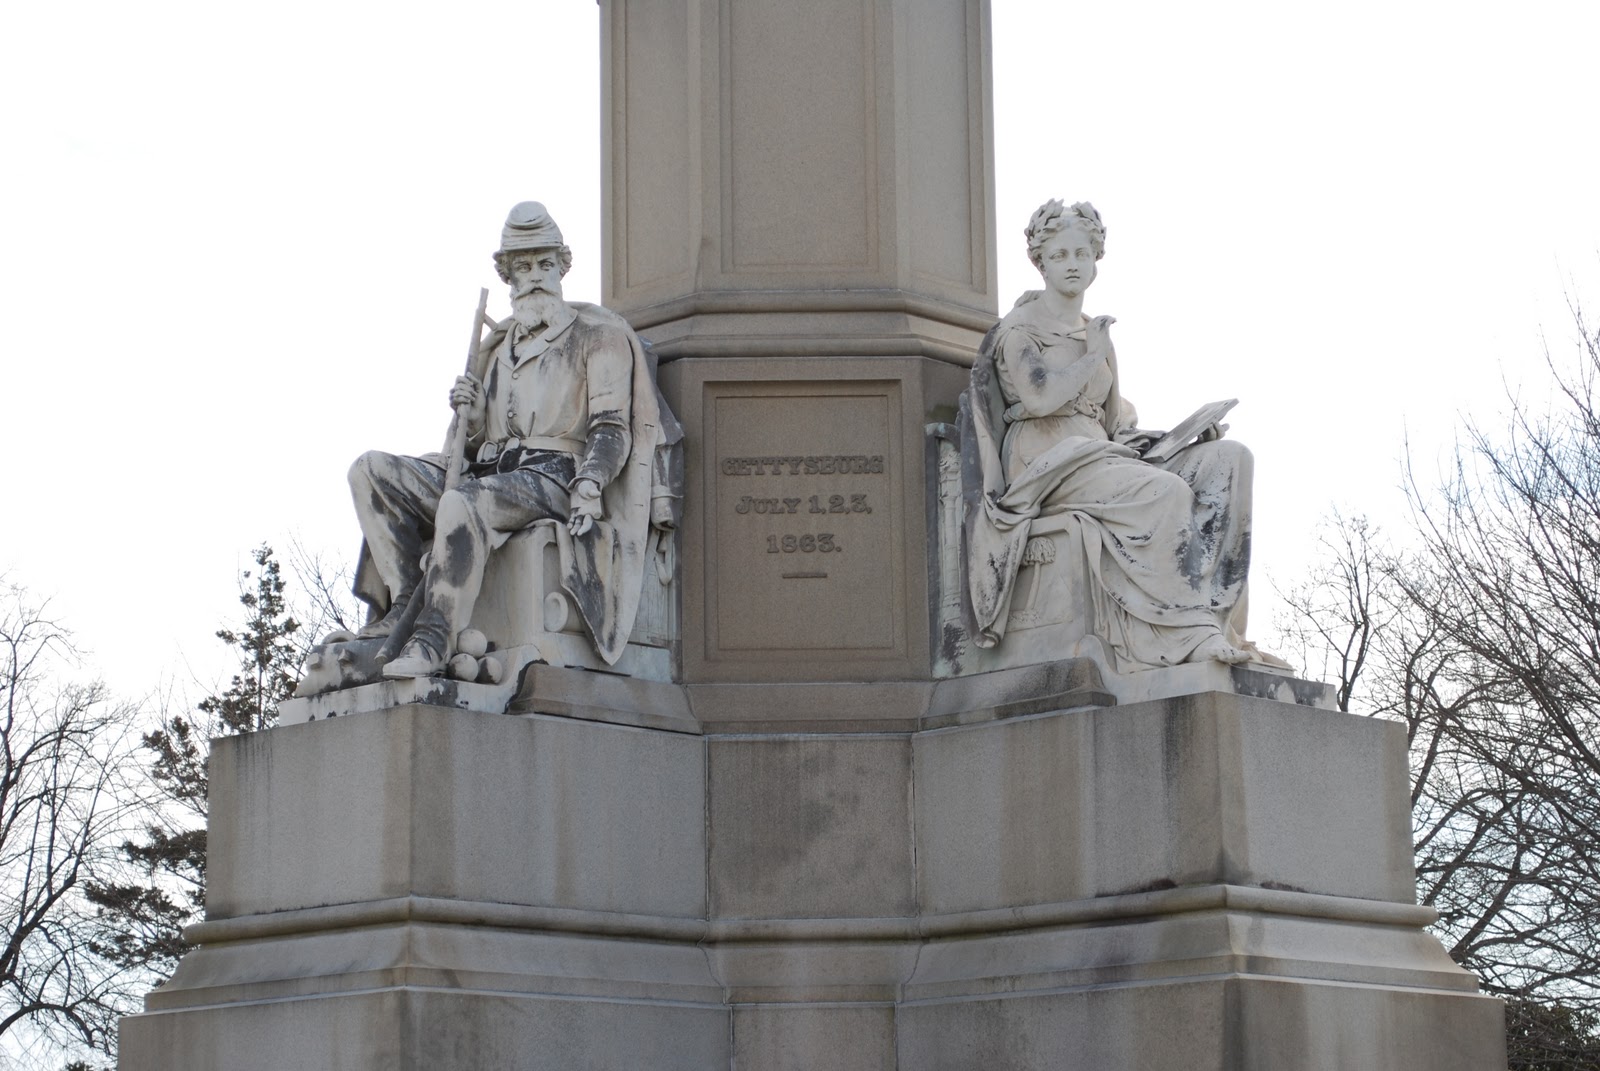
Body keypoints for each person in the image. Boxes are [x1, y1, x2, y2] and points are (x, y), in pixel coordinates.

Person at [347, 201, 680, 676]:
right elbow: (472, 444)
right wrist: (472, 416)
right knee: (370, 471)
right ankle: (402, 603)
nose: (536, 276)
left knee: (463, 502)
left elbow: (611, 427)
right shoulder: (499, 346)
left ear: (562, 267)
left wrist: (591, 481)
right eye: (524, 267)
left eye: (545, 263)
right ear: (508, 276)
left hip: (554, 477)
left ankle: (433, 638)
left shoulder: (598, 337)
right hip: (489, 472)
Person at [961, 199, 1271, 670]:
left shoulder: (1093, 330)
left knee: (1229, 461)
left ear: (1095, 261)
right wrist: (1093, 354)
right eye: (1060, 255)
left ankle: (1217, 616)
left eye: (1081, 254)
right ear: (1040, 263)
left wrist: (1180, 438)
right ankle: (1187, 634)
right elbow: (1040, 399)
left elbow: (1114, 422)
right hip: (1048, 457)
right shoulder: (1019, 330)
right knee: (1165, 492)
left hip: (1102, 451)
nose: (1072, 264)